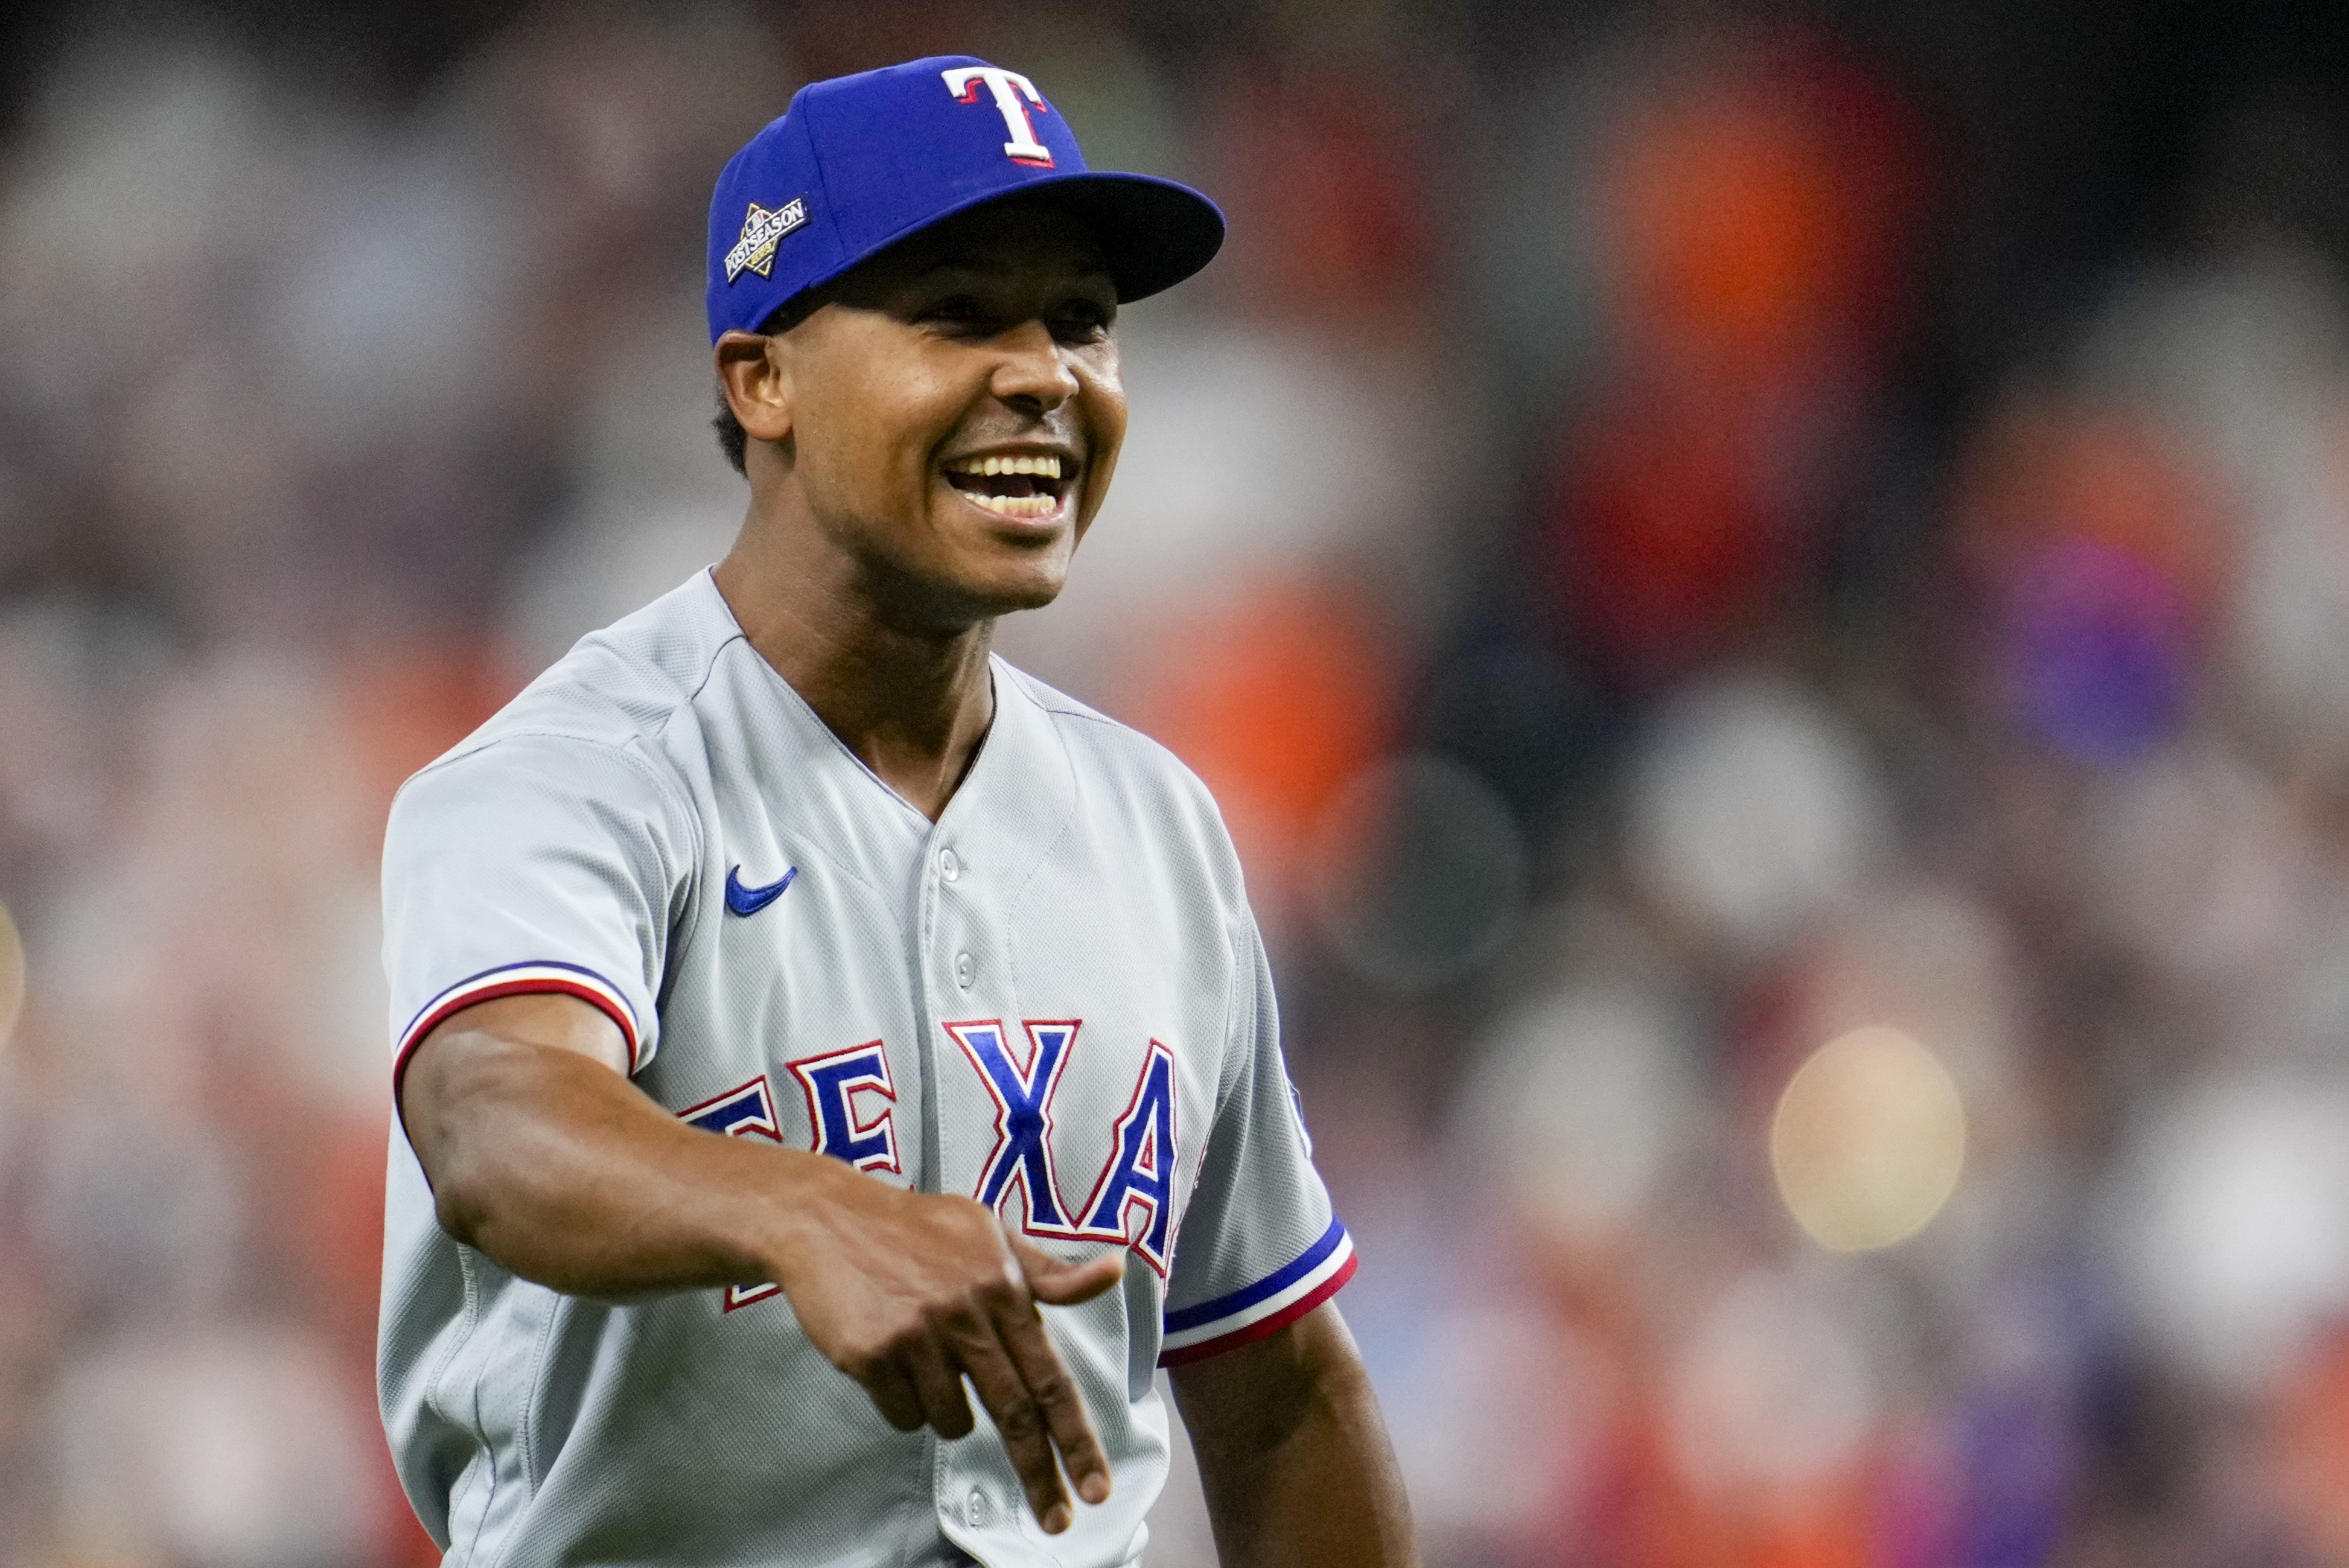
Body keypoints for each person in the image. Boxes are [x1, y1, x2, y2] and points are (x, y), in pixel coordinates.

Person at [379, 55, 1417, 1568]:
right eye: (958, 315)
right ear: (762, 378)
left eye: (1080, 321)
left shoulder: (1158, 826)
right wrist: (794, 1210)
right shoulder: (575, 772)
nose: (1045, 373)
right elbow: (493, 1122)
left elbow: (1277, 1381)